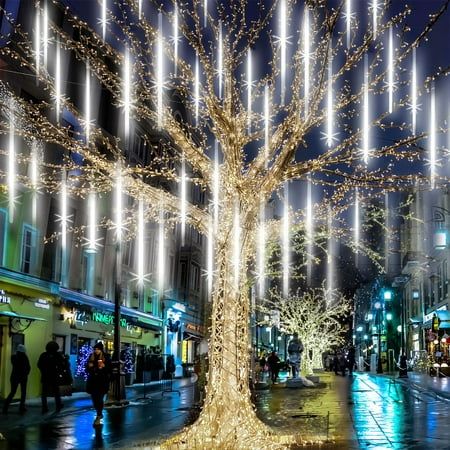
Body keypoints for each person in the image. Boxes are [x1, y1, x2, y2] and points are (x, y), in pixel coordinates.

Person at [86, 342, 111, 426]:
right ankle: (99, 412)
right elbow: (87, 368)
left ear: (101, 350)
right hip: (93, 381)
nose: (96, 351)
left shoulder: (106, 357)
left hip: (102, 381)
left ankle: (99, 414)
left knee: (99, 398)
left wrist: (104, 367)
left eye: (98, 349)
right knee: (94, 399)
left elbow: (109, 369)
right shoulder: (91, 357)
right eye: (95, 349)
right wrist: (90, 367)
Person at [38, 341, 65, 414]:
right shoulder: (57, 355)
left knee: (44, 393)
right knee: (56, 392)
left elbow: (39, 364)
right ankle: (58, 405)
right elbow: (62, 365)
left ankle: (44, 407)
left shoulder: (43, 355)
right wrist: (59, 372)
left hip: (45, 376)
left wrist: (43, 371)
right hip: (54, 376)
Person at [2, 344, 30, 414]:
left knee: (12, 392)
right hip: (23, 377)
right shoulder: (25, 358)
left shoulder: (13, 357)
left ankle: (5, 408)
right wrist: (26, 374)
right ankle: (22, 407)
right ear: (23, 351)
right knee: (23, 392)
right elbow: (29, 367)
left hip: (14, 377)